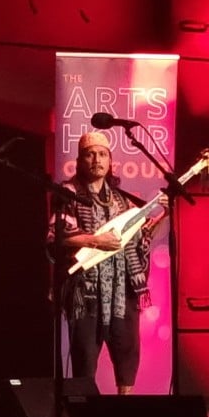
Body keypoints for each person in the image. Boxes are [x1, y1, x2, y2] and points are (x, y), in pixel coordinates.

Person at [50, 130, 165, 395]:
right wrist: (95, 241)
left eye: (102, 154)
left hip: (122, 292)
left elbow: (139, 240)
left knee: (127, 353)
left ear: (110, 160)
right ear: (80, 161)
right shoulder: (69, 194)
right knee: (84, 358)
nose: (96, 160)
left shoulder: (122, 199)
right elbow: (55, 237)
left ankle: (122, 415)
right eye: (89, 154)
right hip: (86, 293)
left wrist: (165, 215)